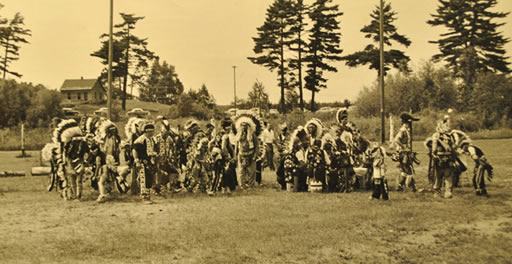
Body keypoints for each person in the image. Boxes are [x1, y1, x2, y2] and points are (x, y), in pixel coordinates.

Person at [392, 113, 419, 192]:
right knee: (408, 170)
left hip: (405, 152)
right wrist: (404, 147)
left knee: (405, 170)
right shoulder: (403, 130)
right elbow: (396, 140)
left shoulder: (406, 130)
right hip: (404, 153)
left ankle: (400, 186)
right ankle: (411, 186)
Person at [132, 123, 157, 203]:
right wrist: (137, 160)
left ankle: (148, 197)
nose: (152, 133)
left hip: (150, 161)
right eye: (150, 132)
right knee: (143, 179)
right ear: (146, 132)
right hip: (142, 161)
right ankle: (144, 197)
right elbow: (134, 150)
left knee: (149, 178)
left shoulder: (152, 139)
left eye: (153, 132)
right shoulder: (140, 140)